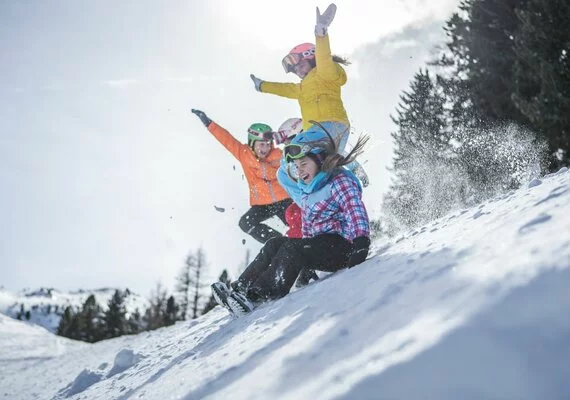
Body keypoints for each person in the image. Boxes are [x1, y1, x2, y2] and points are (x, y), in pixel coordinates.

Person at [212, 130, 371, 316]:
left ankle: (258, 295)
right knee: (275, 243)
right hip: (322, 246)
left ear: (320, 159)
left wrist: (361, 242)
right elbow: (309, 229)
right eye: (296, 166)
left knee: (293, 248)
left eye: (304, 163)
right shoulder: (309, 191)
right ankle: (241, 287)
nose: (300, 169)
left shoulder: (338, 181)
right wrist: (307, 264)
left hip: (344, 247)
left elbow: (354, 209)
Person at [250, 3, 369, 199]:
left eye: (300, 65)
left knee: (292, 151)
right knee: (294, 171)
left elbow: (324, 59)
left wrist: (321, 34)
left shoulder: (324, 73)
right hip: (324, 131)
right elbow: (283, 89)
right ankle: (327, 199)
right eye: (294, 70)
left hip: (329, 125)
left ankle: (312, 198)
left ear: (311, 58)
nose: (297, 71)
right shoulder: (302, 88)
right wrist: (262, 85)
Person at [191, 109, 292, 244]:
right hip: (262, 204)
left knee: (297, 224)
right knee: (246, 223)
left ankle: (307, 244)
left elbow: (280, 173)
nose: (265, 148)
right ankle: (279, 242)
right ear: (252, 143)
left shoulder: (278, 155)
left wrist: (263, 168)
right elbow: (226, 139)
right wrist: (208, 123)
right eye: (261, 144)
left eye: (268, 144)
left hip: (283, 200)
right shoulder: (244, 154)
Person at [275, 117, 319, 287]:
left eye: (287, 141)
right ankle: (300, 264)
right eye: (284, 143)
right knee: (293, 214)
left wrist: (356, 169)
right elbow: (298, 195)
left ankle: (306, 262)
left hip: (331, 195)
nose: (285, 146)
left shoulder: (317, 147)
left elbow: (339, 153)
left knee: (298, 215)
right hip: (310, 201)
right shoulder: (285, 167)